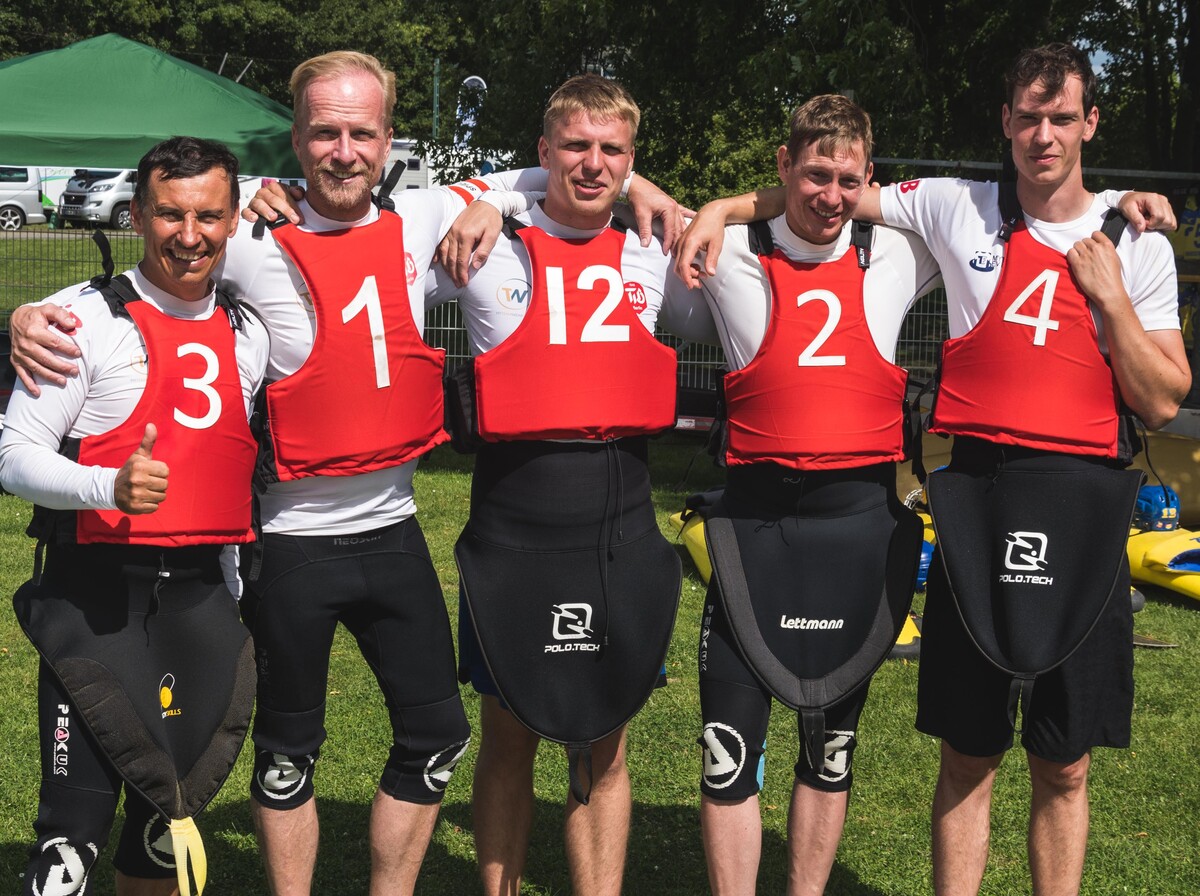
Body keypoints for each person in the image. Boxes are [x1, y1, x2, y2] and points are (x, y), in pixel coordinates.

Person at [6, 50, 548, 896]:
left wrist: (495, 201)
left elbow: (549, 171)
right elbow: (141, 285)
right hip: (271, 548)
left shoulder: (411, 221)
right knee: (254, 767)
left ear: (388, 138)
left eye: (361, 132)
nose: (344, 150)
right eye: (325, 132)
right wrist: (26, 316)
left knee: (429, 740)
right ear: (294, 140)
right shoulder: (243, 237)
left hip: (373, 534)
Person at [676, 44, 1189, 896]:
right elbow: (824, 193)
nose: (1044, 135)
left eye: (1062, 118)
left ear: (1091, 123)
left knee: (1065, 764)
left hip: (1088, 509)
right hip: (979, 502)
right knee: (968, 753)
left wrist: (1109, 297)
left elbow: (1165, 400)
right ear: (1006, 122)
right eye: (1029, 117)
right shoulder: (959, 207)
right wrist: (722, 207)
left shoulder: (1136, 243)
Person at [425, 74, 714, 896]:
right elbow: (369, 229)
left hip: (618, 525)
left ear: (632, 159)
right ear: (543, 150)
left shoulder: (655, 251)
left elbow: (749, 249)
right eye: (575, 146)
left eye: (612, 151)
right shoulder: (479, 244)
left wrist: (653, 195)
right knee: (507, 733)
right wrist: (496, 198)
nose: (593, 164)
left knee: (604, 739)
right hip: (513, 528)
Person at [684, 93, 941, 896]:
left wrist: (1121, 201)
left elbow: (1004, 210)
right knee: (726, 752)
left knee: (831, 751)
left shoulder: (900, 251)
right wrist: (721, 209)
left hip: (858, 533)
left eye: (847, 180)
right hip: (754, 528)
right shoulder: (725, 247)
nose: (830, 196)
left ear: (869, 180)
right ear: (784, 166)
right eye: (814, 174)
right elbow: (614, 193)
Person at [0, 137, 269, 896]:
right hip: (95, 602)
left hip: (199, 606)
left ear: (234, 218)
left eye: (208, 216)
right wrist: (105, 486)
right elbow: (14, 455)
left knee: (164, 830)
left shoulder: (249, 332)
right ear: (139, 216)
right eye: (170, 214)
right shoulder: (79, 321)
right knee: (69, 846)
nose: (190, 235)